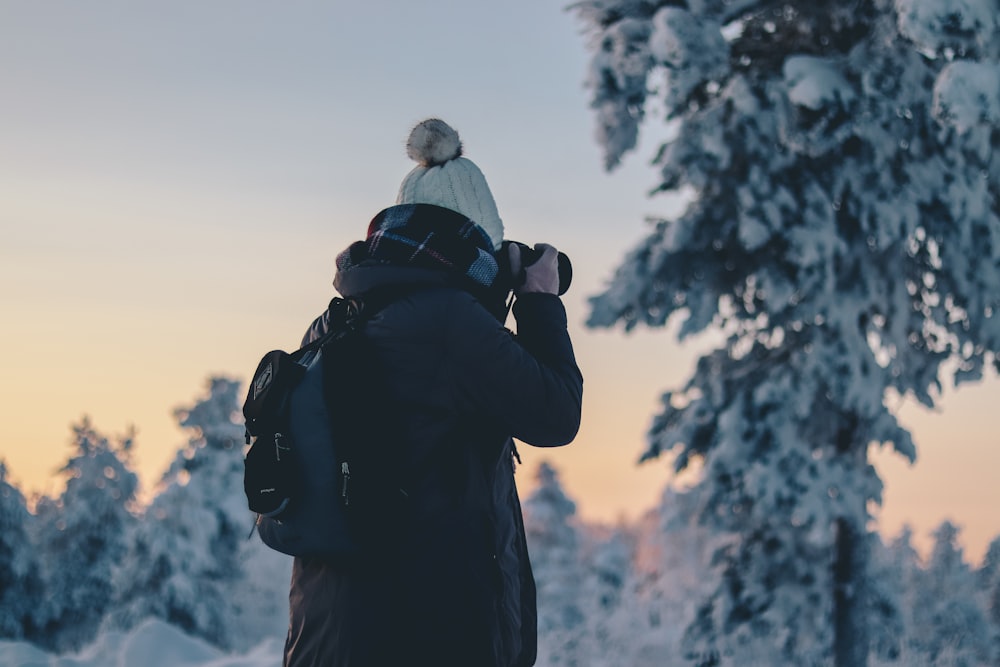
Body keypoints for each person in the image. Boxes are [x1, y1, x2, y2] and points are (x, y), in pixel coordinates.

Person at [283, 118, 583, 667]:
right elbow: (556, 414)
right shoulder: (449, 324)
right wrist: (538, 298)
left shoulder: (336, 320)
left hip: (329, 635)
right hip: (428, 633)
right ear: (475, 239)